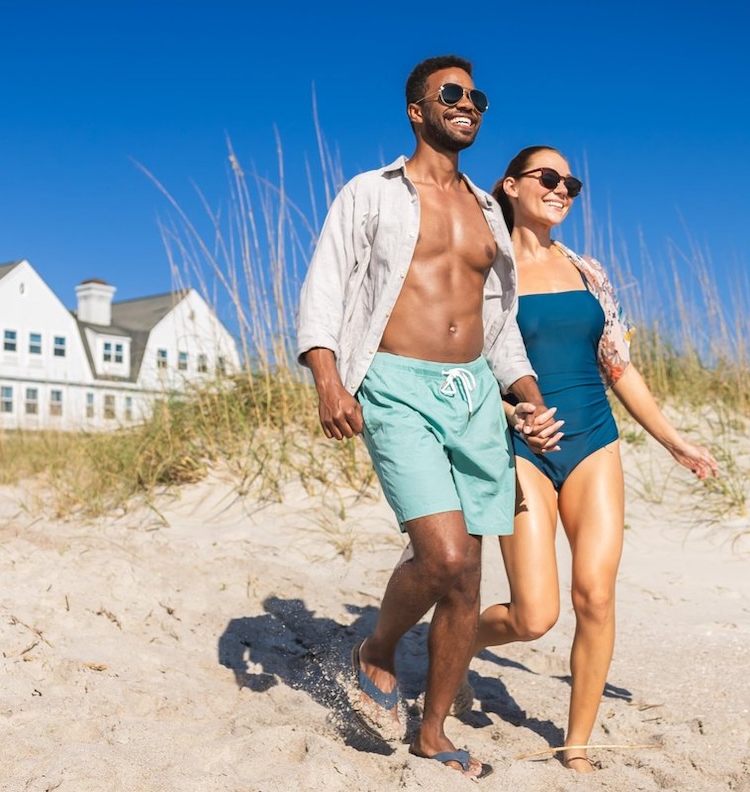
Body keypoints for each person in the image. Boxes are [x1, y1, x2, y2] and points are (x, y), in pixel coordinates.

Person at [294, 55, 559, 780]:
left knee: (469, 579)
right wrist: (328, 378)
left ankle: (432, 732)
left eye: (476, 96)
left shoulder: (488, 215)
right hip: (395, 385)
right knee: (442, 555)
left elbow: (499, 326)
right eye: (452, 94)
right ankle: (377, 649)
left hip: (474, 395)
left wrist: (528, 400)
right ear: (418, 110)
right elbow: (324, 287)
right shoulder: (370, 194)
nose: (468, 104)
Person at [472, 146, 720, 773]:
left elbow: (619, 366)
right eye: (548, 178)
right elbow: (469, 366)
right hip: (523, 446)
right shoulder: (486, 270)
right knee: (534, 615)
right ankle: (457, 638)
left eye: (571, 183)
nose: (562, 189)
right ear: (511, 186)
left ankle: (576, 746)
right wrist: (510, 415)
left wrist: (673, 439)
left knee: (596, 596)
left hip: (593, 440)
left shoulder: (589, 272)